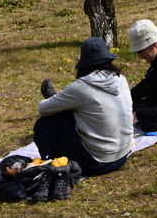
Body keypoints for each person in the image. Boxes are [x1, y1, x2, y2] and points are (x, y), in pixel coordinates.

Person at [34, 37, 133, 176]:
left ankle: (54, 163)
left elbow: (42, 109)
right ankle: (60, 101)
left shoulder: (82, 87)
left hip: (98, 163)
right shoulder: (121, 79)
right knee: (76, 110)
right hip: (123, 154)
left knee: (45, 123)